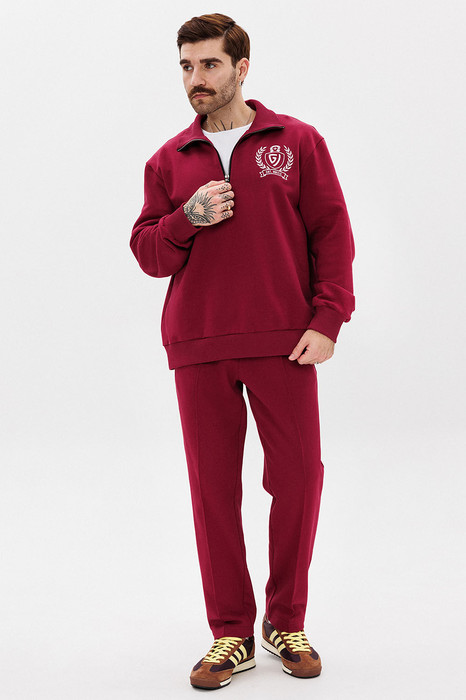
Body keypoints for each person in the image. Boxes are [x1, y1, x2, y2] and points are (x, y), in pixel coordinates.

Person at [130, 12, 355, 691]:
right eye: (186, 66)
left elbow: (331, 232)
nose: (195, 78)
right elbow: (149, 252)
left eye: (209, 64)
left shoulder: (297, 142)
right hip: (198, 345)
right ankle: (231, 632)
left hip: (285, 343)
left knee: (299, 479)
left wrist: (329, 317)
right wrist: (186, 218)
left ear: (241, 68)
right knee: (213, 493)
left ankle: (286, 621)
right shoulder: (168, 160)